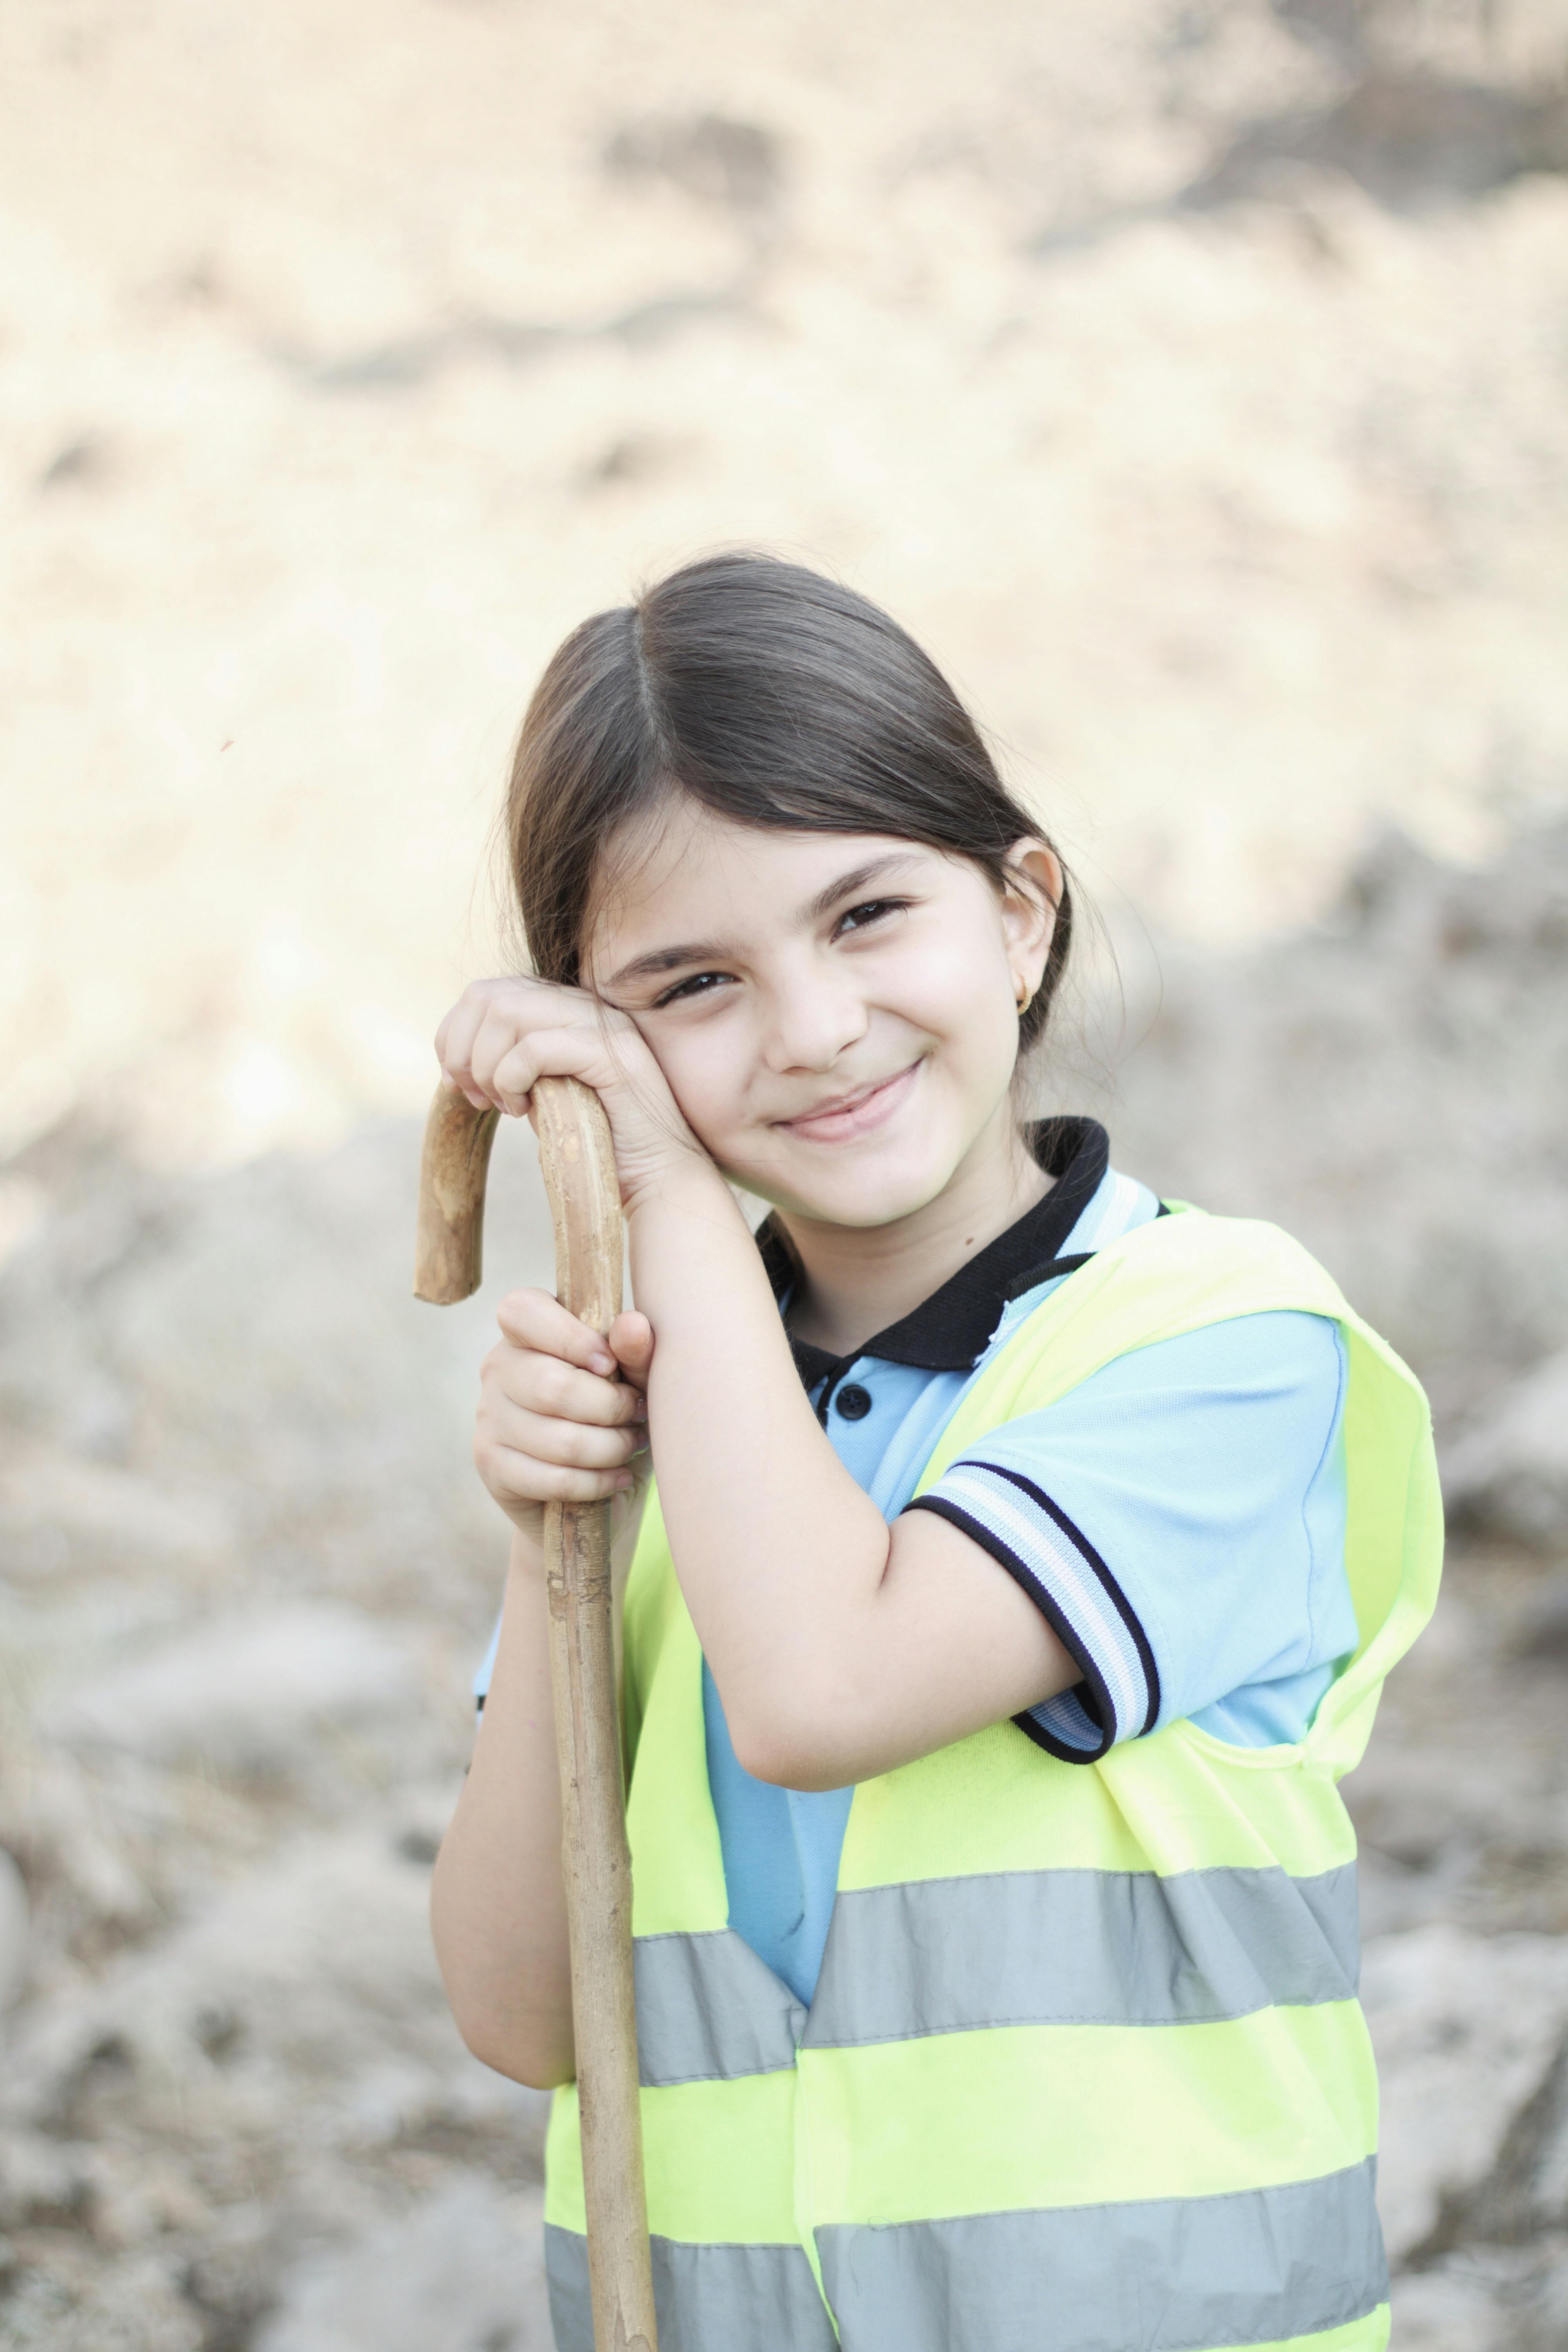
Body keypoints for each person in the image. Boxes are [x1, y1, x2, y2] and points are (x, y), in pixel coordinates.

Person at [427, 552, 1440, 2352]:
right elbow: (523, 2009)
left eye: (867, 916)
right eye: (691, 985)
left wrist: (658, 1181)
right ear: (604, 1033)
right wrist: (553, 1536)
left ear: (1021, 911)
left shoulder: (1210, 1338)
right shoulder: (676, 1426)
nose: (815, 1031)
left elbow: (821, 1684)